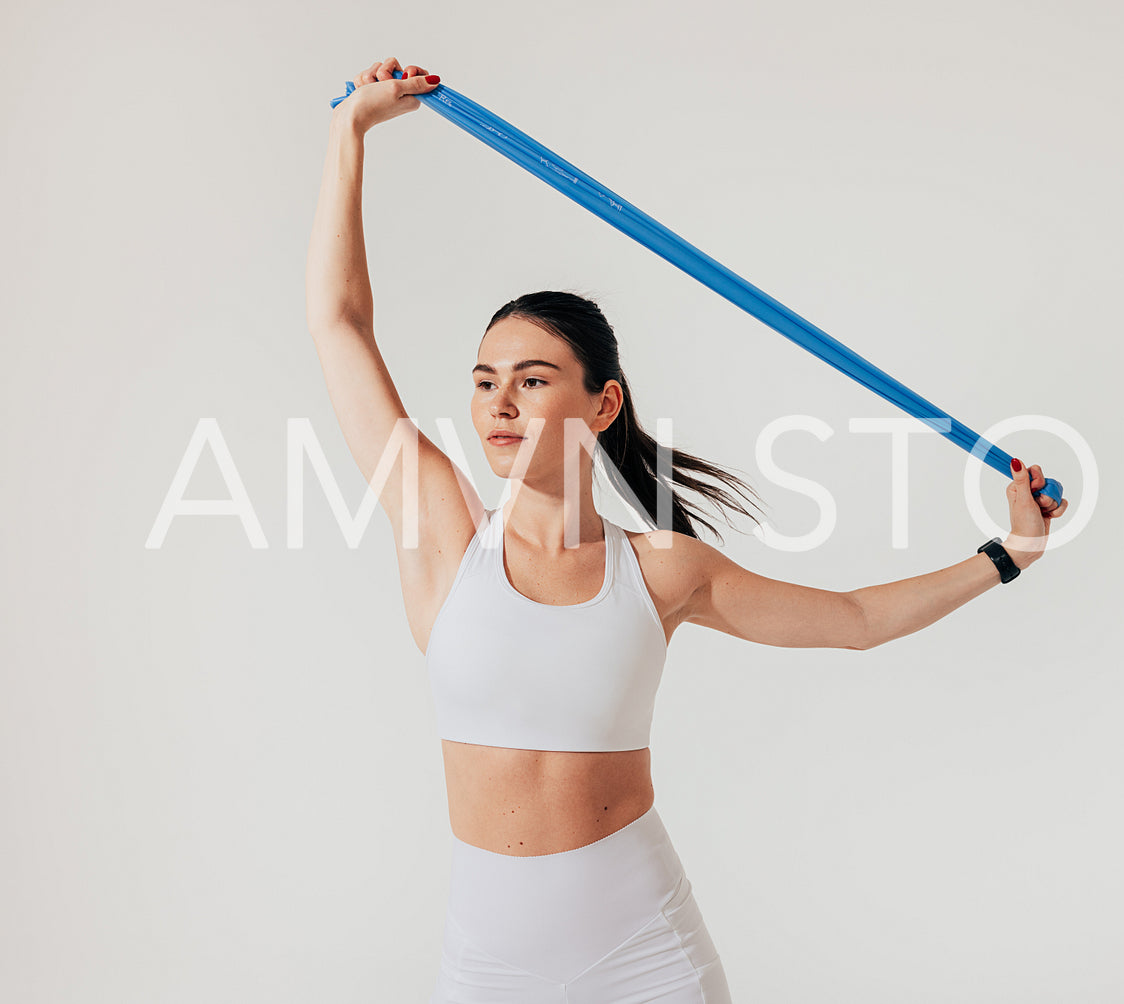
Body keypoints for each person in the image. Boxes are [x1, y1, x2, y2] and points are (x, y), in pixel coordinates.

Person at [307, 56, 1069, 1004]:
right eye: (484, 379)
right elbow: (340, 323)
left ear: (600, 403)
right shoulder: (436, 527)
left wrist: (1010, 553)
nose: (498, 404)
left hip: (644, 958)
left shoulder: (662, 571)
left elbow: (854, 618)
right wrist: (352, 133)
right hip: (488, 970)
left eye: (533, 379)